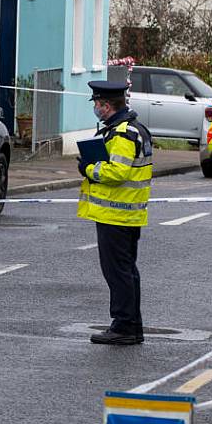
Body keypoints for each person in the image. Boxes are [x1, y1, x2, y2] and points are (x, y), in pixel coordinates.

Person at [78, 81, 153, 345]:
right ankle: (131, 325)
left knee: (118, 273)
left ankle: (124, 326)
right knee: (126, 271)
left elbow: (117, 173)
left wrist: (89, 168)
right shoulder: (133, 129)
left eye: (97, 104)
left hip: (116, 214)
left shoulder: (122, 134)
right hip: (127, 214)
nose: (96, 108)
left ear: (106, 106)